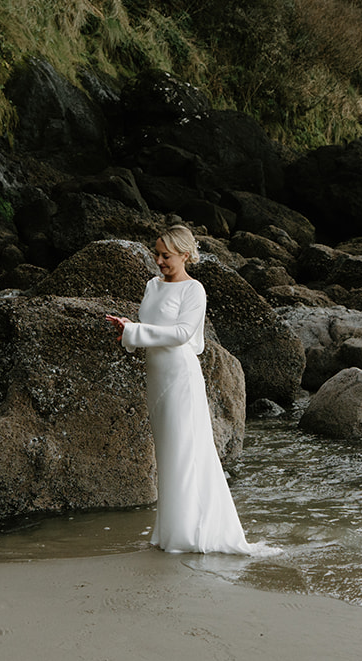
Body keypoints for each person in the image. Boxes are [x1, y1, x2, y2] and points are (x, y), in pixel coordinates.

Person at [106, 226, 276, 555]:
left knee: (185, 450)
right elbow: (150, 326)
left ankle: (186, 535)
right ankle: (169, 531)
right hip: (156, 374)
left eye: (165, 255)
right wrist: (128, 330)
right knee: (168, 452)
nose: (158, 261)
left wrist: (135, 331)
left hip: (180, 374)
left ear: (185, 255)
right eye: (156, 253)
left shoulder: (194, 290)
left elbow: (182, 333)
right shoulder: (152, 286)